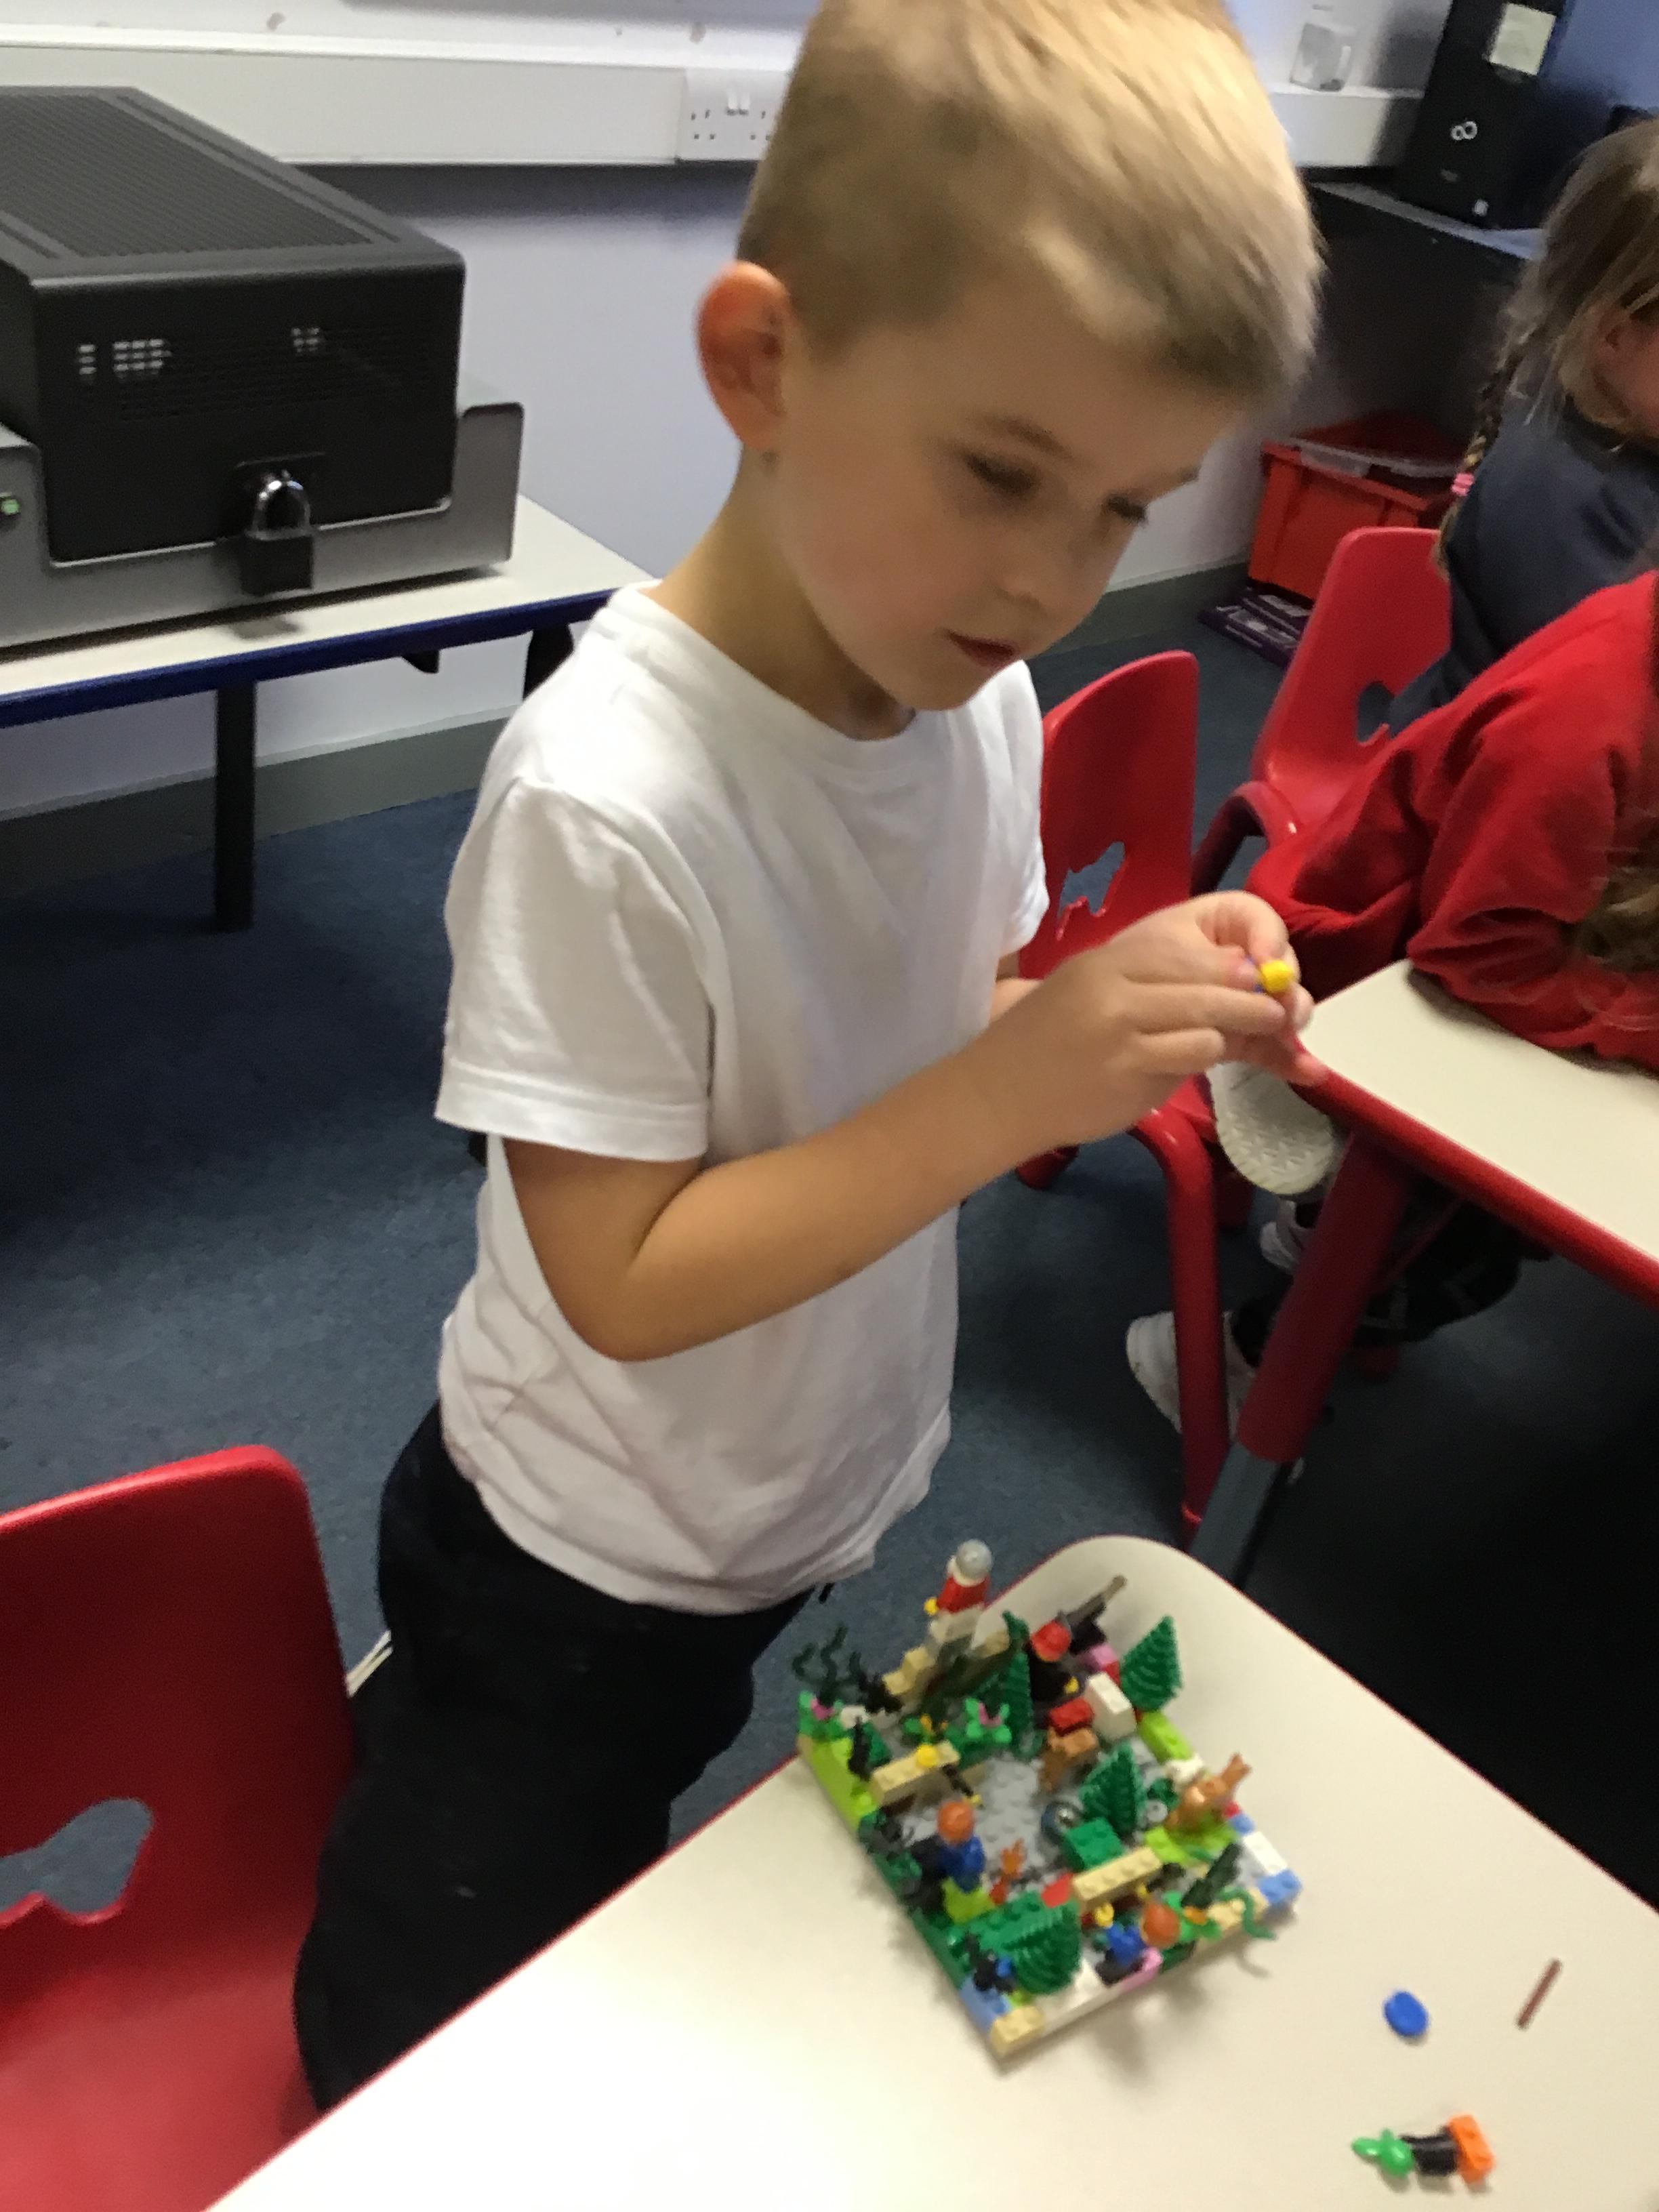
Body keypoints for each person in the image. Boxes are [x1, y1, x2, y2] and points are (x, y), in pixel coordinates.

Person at [293, 0, 1320, 2105]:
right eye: (1001, 474)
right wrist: (1010, 1088)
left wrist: (1094, 1023)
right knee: (445, 1970)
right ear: (764, 365)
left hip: (781, 1485)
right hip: (577, 1545)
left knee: (645, 1802)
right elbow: (622, 1274)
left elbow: (910, 1044)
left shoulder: (974, 695)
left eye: (1125, 507)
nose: (1054, 579)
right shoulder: (605, 798)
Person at [1130, 567, 1659, 1427]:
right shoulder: (1581, 726)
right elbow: (1482, 959)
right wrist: (1639, 1027)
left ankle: (1328, 1237)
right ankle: (1243, 1358)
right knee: (1483, 1234)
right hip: (1343, 980)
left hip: (1482, 938)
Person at [1389, 119, 1659, 733]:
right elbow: (1613, 713)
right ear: (1614, 336)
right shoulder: (1564, 498)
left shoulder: (1624, 429)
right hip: (1484, 778)